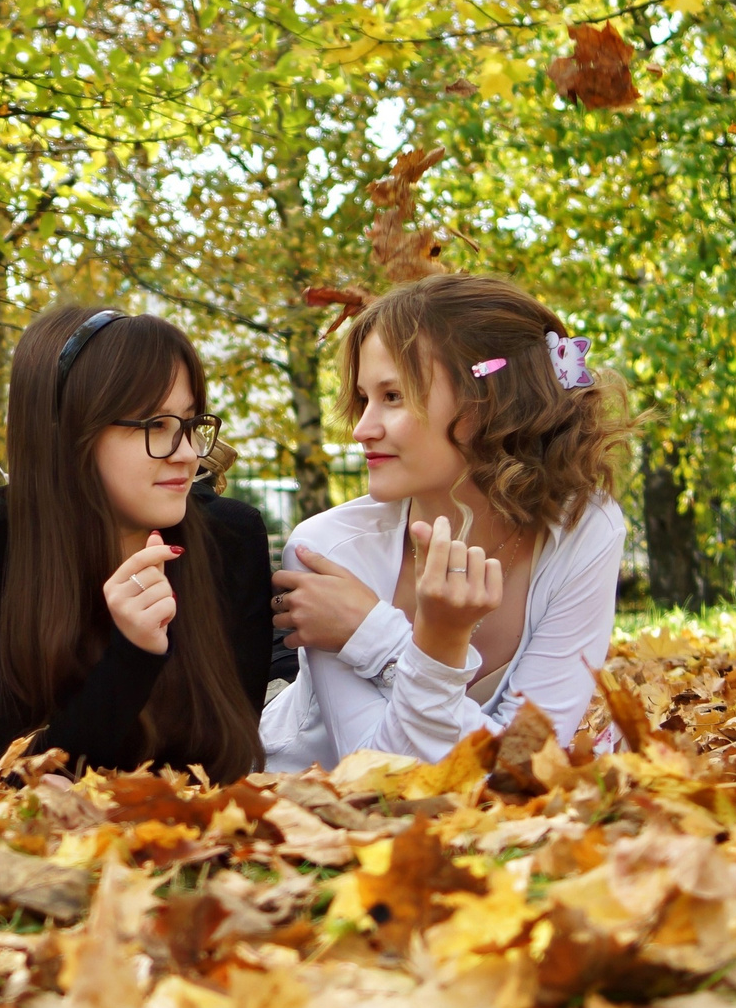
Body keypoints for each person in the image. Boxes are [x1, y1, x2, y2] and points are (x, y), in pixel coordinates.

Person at [262, 274, 632, 770]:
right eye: (364, 399)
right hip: (298, 809)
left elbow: (525, 761)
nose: (362, 429)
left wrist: (377, 637)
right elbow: (378, 777)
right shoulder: (327, 549)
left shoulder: (585, 529)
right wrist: (431, 648)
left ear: (488, 402)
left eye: (393, 396)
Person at [0, 306, 274, 778]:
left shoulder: (229, 539)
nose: (185, 454)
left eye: (190, 423)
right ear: (69, 433)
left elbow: (228, 760)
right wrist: (132, 656)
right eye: (154, 426)